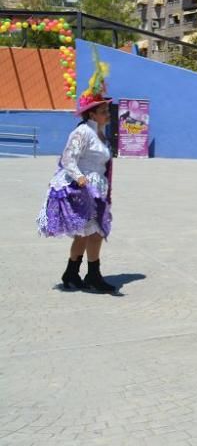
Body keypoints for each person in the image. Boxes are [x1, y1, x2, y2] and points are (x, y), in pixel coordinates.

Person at [36, 60, 117, 293]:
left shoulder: (98, 133)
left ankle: (71, 274)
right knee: (94, 232)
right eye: (103, 111)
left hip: (96, 189)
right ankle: (92, 275)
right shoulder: (82, 132)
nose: (107, 114)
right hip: (84, 190)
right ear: (92, 113)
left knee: (86, 233)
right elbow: (68, 159)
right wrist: (81, 179)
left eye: (106, 110)